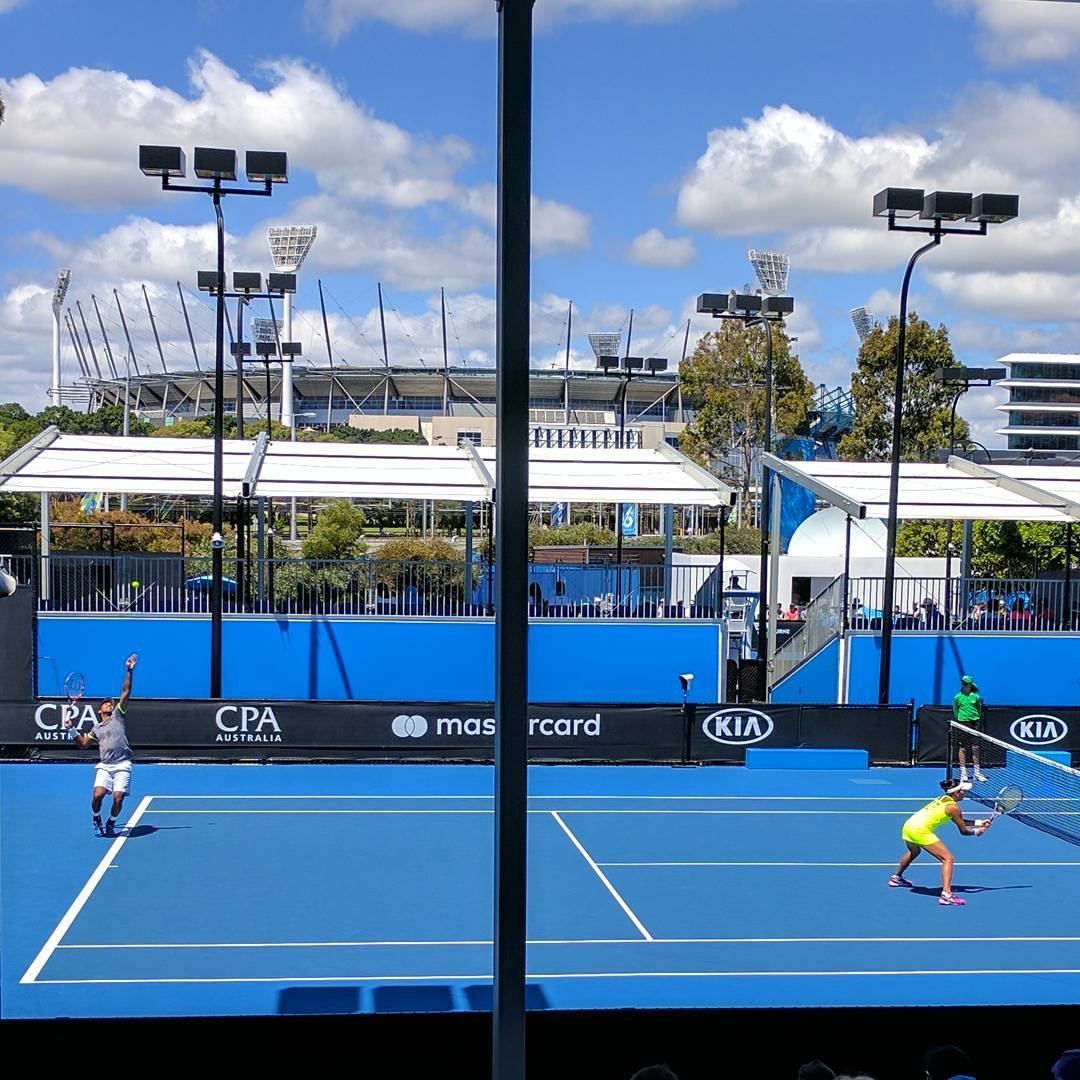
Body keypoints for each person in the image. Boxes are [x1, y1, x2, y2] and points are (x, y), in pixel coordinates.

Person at [65, 654, 138, 837]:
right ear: (99, 710)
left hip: (123, 764)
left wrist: (129, 671)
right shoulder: (95, 729)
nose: (109, 705)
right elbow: (83, 744)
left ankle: (111, 822)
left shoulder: (118, 716)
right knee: (97, 795)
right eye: (105, 704)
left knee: (118, 798)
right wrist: (72, 729)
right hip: (105, 766)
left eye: (110, 704)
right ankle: (96, 817)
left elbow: (125, 692)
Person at [889, 777, 988, 905]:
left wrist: (980, 822)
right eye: (963, 790)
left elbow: (959, 820)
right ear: (957, 793)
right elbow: (963, 831)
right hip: (920, 831)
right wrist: (976, 831)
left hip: (909, 826)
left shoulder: (943, 799)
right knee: (947, 858)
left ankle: (896, 878)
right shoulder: (953, 807)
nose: (965, 792)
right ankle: (946, 895)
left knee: (914, 852)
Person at [953, 674, 986, 782]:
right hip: (963, 723)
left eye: (966, 683)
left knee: (975, 748)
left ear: (970, 685)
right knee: (962, 748)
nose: (964, 685)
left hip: (974, 723)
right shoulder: (957, 697)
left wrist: (976, 719)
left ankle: (977, 773)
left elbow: (979, 710)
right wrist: (960, 720)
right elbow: (955, 711)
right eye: (963, 683)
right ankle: (964, 773)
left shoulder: (976, 697)